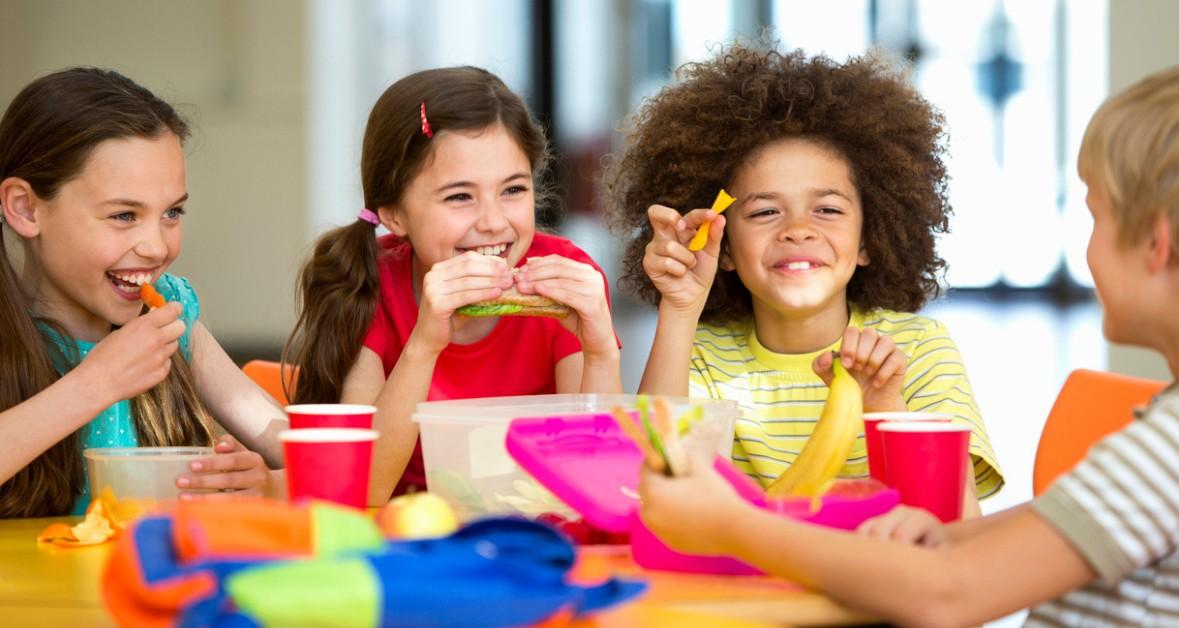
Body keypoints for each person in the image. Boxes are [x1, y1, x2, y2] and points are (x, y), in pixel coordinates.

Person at [639, 59, 1179, 627]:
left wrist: (732, 525)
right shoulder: (1176, 425)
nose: (798, 229)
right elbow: (996, 537)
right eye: (765, 212)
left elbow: (949, 595)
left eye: (1094, 217)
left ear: (1156, 245)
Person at [606, 43, 1002, 509]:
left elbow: (960, 527)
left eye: (828, 209)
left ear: (869, 241)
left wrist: (886, 408)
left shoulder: (919, 351)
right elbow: (651, 492)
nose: (797, 230)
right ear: (726, 247)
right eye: (766, 211)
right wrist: (679, 309)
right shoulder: (699, 354)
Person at [285, 67, 621, 506]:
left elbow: (598, 482)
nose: (494, 222)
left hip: (535, 527)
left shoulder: (567, 279)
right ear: (394, 215)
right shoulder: (370, 283)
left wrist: (600, 351)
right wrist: (424, 343)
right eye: (460, 196)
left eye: (513, 190)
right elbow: (364, 490)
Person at [0, 67, 288, 518]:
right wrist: (94, 384)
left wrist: (273, 484)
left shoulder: (172, 316)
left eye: (172, 212)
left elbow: (292, 444)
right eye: (123, 216)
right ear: (25, 208)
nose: (156, 247)